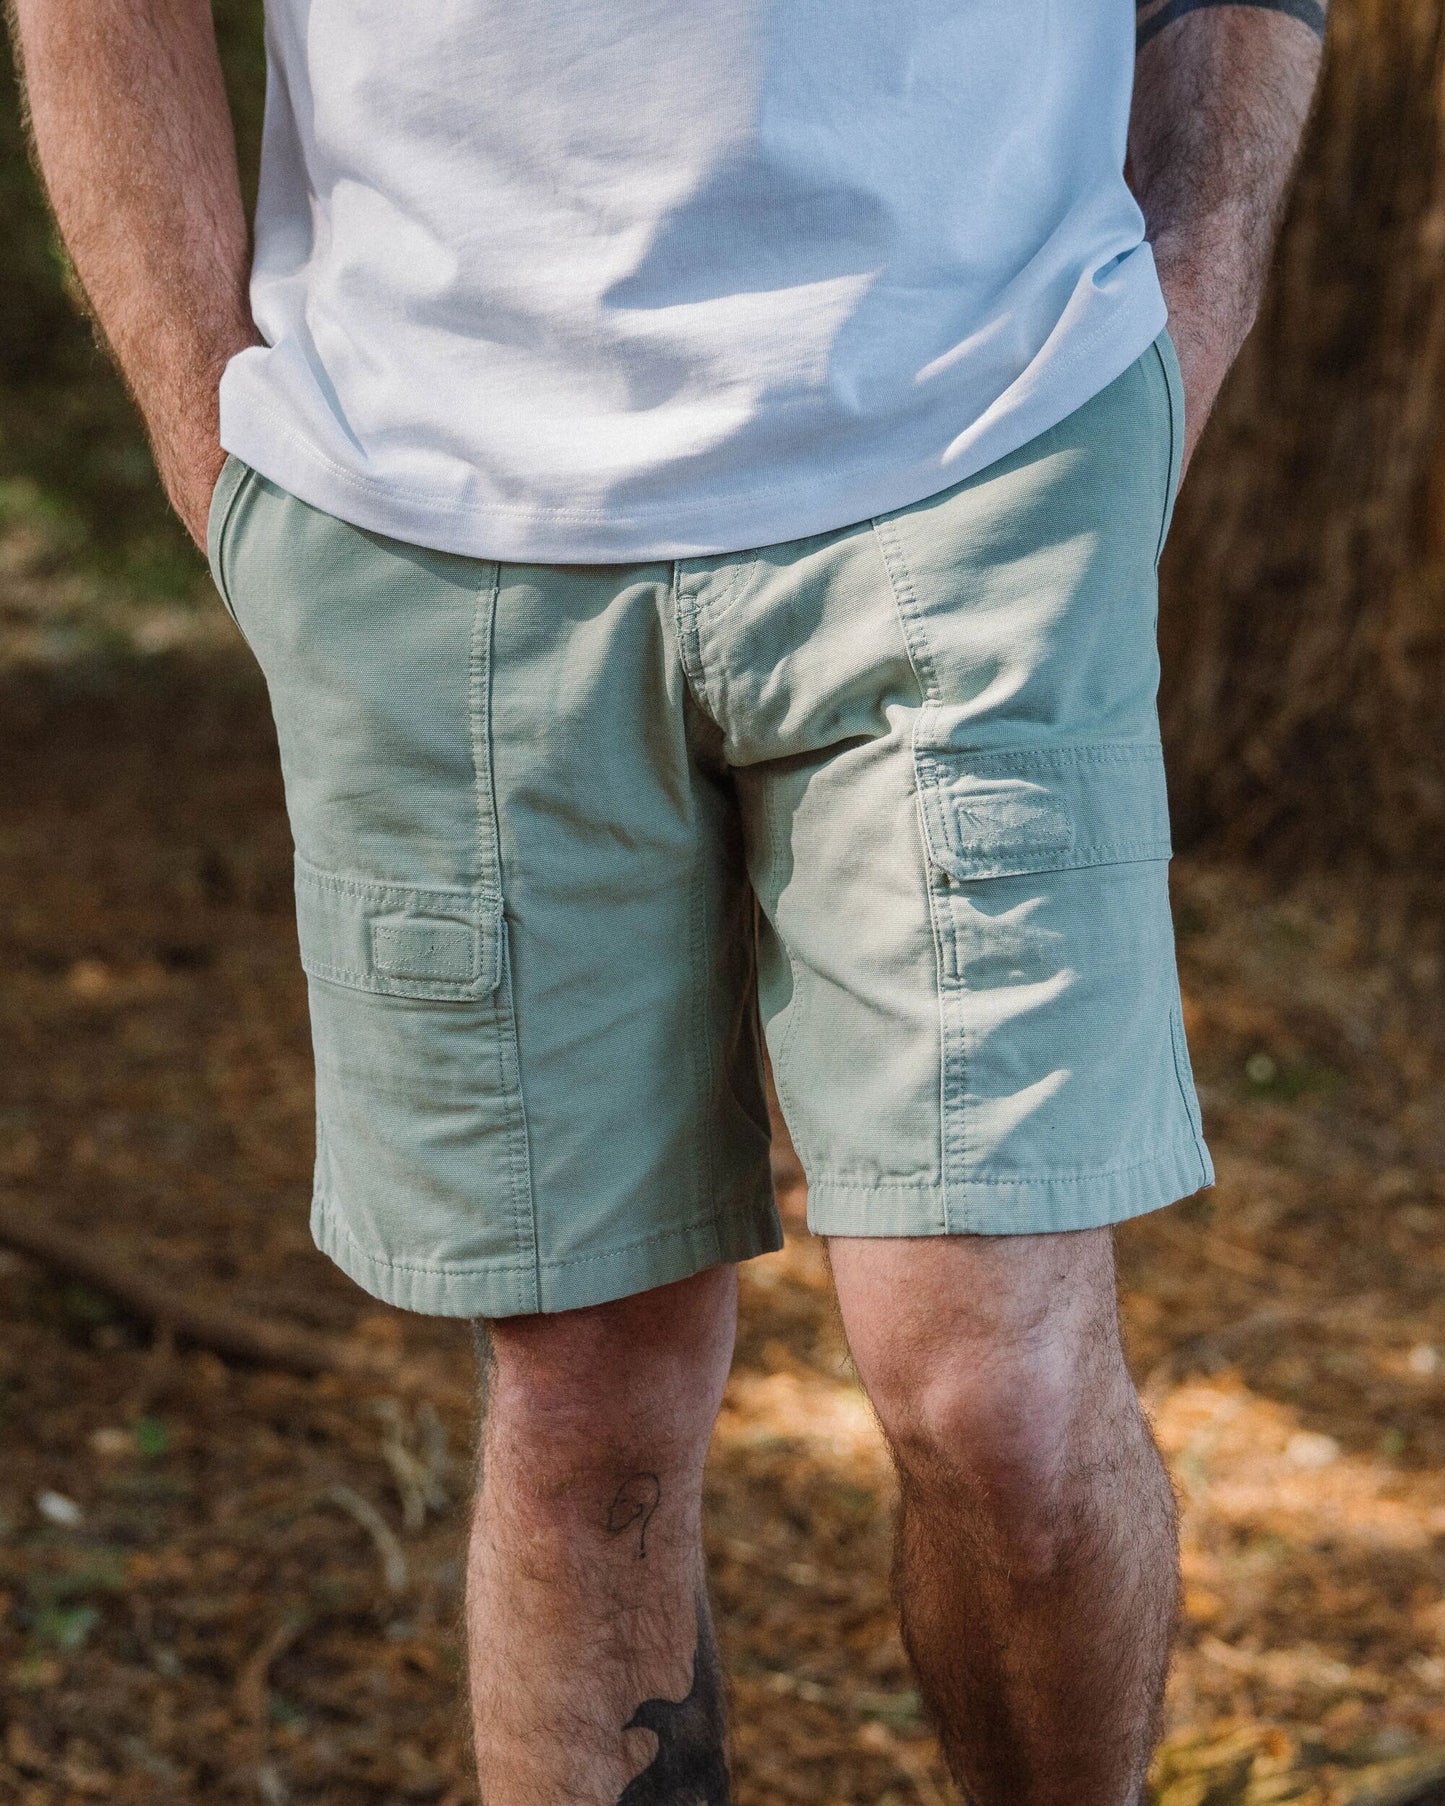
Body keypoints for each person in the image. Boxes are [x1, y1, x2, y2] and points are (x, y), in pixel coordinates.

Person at [11, 1, 1327, 1799]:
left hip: (987, 434)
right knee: (586, 1409)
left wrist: (1194, 278)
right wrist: (211, 435)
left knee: (996, 1396)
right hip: (431, 505)